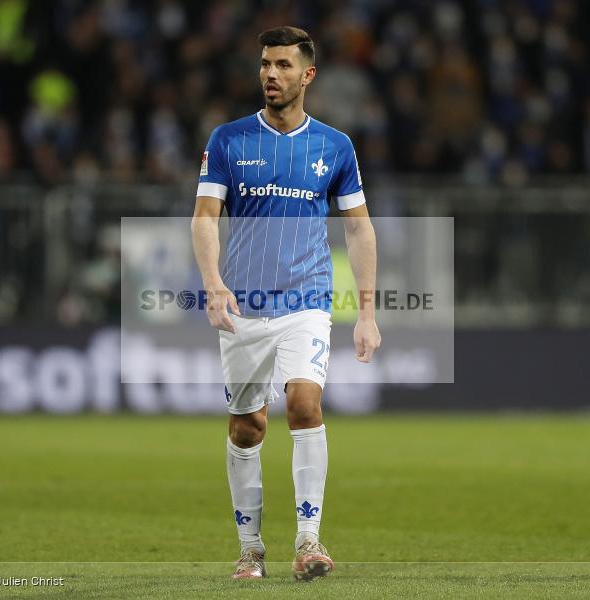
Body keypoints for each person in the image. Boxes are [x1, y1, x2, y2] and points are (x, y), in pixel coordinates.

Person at [190, 26, 380, 581]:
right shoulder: (228, 140)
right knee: (247, 428)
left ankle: (308, 541)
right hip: (243, 306)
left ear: (307, 75)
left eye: (283, 66)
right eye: (265, 65)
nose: (271, 74)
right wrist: (212, 282)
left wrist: (366, 313)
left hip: (307, 300)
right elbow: (204, 217)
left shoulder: (335, 147)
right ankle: (250, 550)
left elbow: (360, 231)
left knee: (303, 405)